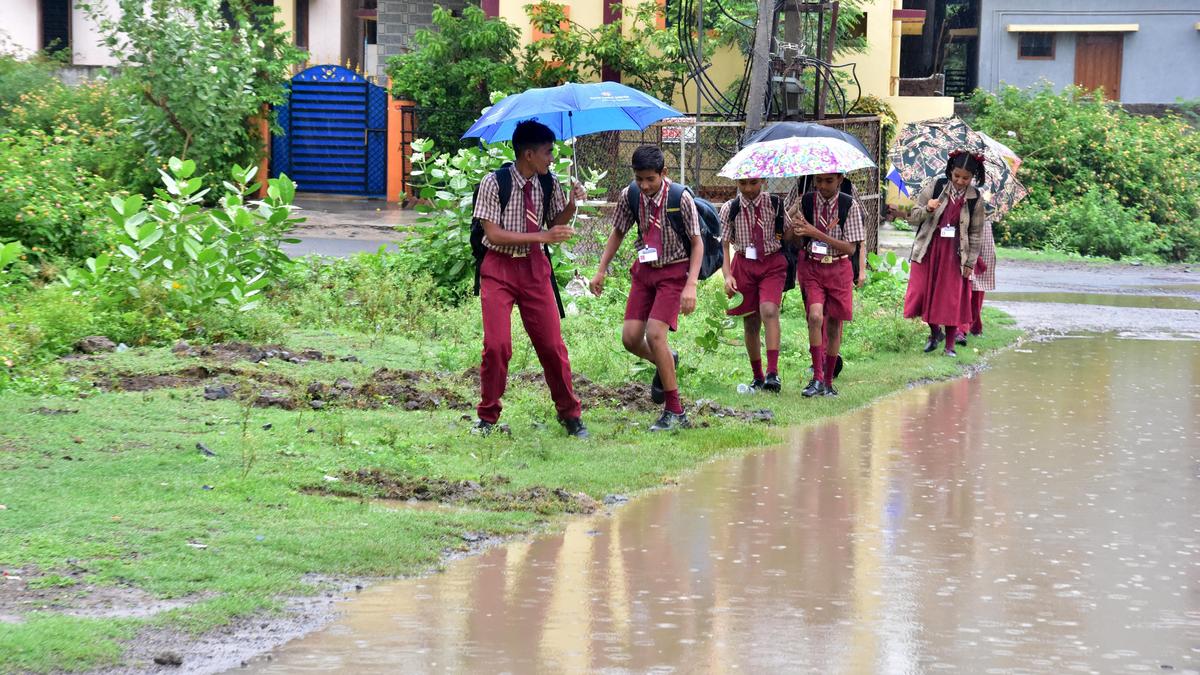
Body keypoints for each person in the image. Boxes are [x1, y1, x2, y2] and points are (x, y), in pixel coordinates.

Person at [472, 120, 587, 438]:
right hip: (499, 269)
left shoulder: (547, 183)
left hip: (535, 269)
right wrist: (544, 235)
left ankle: (570, 415)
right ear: (528, 154)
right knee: (497, 346)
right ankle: (488, 418)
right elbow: (492, 233)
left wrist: (572, 205)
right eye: (548, 152)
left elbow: (555, 222)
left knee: (551, 346)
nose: (552, 158)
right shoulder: (493, 184)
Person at [590, 145, 702, 432]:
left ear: (664, 173)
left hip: (674, 273)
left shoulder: (681, 198)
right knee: (630, 339)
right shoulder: (631, 195)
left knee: (655, 334)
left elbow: (697, 242)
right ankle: (667, 360)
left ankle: (675, 411)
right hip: (644, 272)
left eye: (650, 179)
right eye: (639, 178)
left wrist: (691, 285)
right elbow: (618, 231)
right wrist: (601, 269)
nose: (645, 185)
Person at [900, 150, 986, 357]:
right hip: (929, 250)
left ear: (973, 177)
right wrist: (928, 209)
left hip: (956, 255)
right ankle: (934, 332)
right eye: (956, 176)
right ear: (950, 171)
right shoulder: (935, 187)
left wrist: (970, 263)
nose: (960, 181)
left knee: (949, 299)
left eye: (966, 178)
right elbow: (913, 217)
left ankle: (950, 345)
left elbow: (976, 233)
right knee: (921, 293)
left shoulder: (975, 199)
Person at [788, 172, 866, 397]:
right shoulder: (805, 201)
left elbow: (851, 248)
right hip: (812, 267)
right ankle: (816, 377)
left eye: (829, 181)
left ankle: (829, 382)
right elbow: (794, 241)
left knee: (833, 325)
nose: (822, 185)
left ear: (840, 179)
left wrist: (815, 232)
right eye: (818, 180)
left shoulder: (848, 205)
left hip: (839, 268)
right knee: (814, 316)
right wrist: (796, 229)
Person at [719, 177, 792, 393]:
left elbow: (787, 234)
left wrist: (794, 221)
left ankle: (772, 373)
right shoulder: (729, 209)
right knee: (751, 322)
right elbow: (724, 246)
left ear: (762, 181)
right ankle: (758, 376)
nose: (748, 189)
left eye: (753, 183)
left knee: (769, 311)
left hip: (772, 262)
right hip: (743, 264)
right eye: (743, 184)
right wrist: (727, 275)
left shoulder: (775, 204)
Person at [958, 217, 995, 344]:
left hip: (982, 231)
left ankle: (972, 324)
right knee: (964, 283)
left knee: (977, 284)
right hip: (963, 228)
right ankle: (961, 327)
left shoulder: (989, 200)